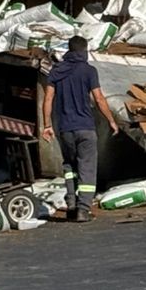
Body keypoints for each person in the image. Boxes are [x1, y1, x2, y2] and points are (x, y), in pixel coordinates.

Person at [39, 36, 120, 222]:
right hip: (85, 128)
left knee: (69, 166)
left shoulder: (56, 70)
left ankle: (72, 204)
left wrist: (47, 125)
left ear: (69, 50)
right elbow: (99, 98)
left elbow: (48, 99)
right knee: (87, 168)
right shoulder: (89, 71)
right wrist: (111, 120)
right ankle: (83, 209)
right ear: (84, 51)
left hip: (65, 129)